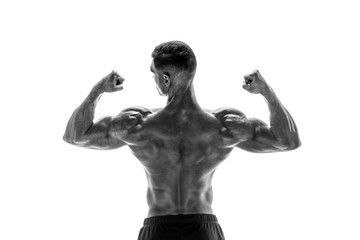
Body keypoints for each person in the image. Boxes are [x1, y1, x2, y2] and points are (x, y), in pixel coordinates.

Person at [63, 41, 301, 240]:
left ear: (166, 79)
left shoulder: (137, 125)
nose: (154, 79)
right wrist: (266, 92)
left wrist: (98, 90)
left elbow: (76, 135)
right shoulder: (223, 126)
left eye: (154, 74)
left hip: (158, 229)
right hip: (203, 230)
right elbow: (287, 140)